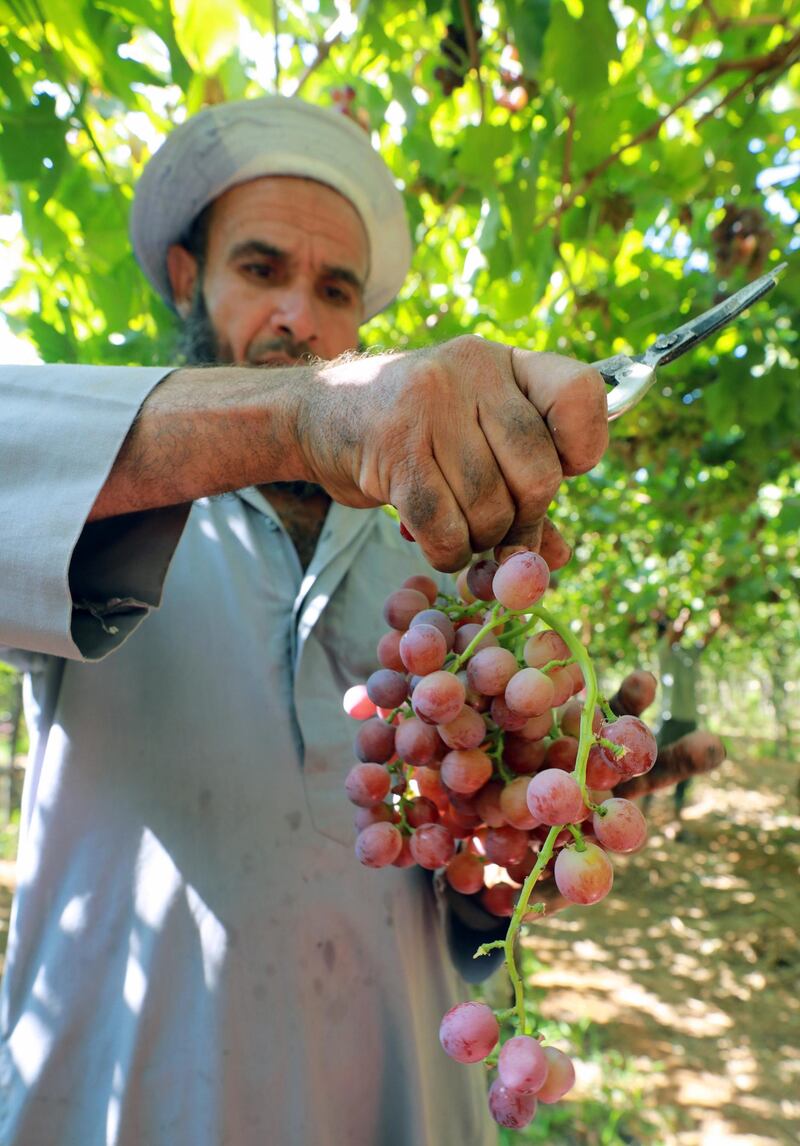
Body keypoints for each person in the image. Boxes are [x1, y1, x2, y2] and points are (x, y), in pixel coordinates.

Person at [0, 95, 610, 1146]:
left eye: (333, 291)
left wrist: (516, 842)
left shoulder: (443, 568)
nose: (300, 318)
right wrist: (304, 416)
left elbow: (452, 886)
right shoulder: (96, 503)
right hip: (110, 1105)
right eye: (261, 269)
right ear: (190, 280)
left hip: (391, 1099)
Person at [645, 606, 722, 833]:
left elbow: (705, 640)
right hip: (670, 720)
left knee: (688, 765)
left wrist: (715, 623)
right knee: (657, 765)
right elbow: (674, 633)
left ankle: (676, 812)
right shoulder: (663, 651)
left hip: (689, 721)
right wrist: (683, 617)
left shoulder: (688, 654)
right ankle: (645, 806)